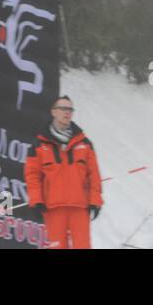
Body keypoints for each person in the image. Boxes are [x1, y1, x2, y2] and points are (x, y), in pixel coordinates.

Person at [25, 95, 103, 249]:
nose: (67, 112)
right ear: (53, 112)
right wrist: (36, 200)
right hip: (54, 208)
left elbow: (94, 175)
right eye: (63, 108)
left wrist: (95, 201)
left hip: (80, 207)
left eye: (70, 109)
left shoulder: (85, 144)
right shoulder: (39, 145)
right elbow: (32, 176)